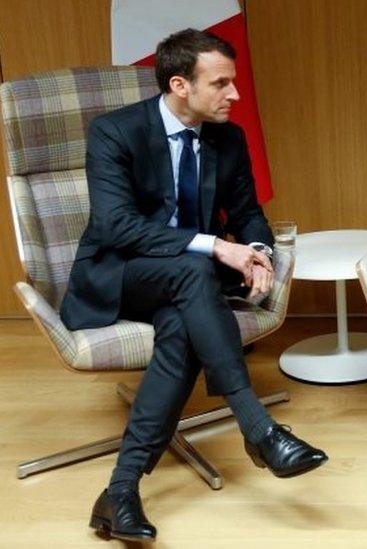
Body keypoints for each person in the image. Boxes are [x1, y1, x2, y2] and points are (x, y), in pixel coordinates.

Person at [60, 29, 326, 542]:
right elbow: (117, 228)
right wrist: (216, 246)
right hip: (120, 273)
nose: (235, 95)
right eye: (221, 83)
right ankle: (258, 428)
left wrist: (261, 256)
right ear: (180, 84)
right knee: (195, 268)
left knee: (183, 325)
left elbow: (249, 215)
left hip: (186, 284)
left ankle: (120, 491)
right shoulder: (116, 133)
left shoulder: (228, 137)